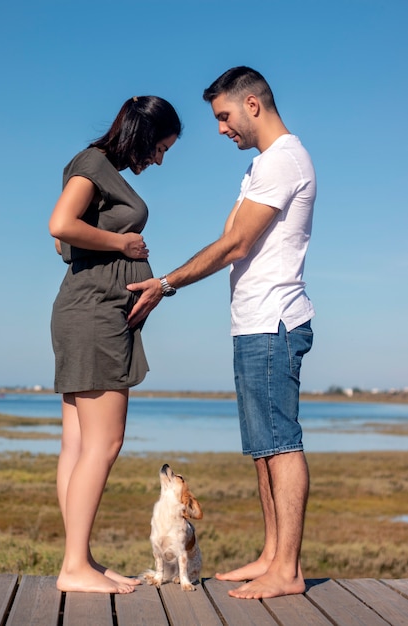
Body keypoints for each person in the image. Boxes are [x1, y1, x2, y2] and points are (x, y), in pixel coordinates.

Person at [127, 66, 316, 599]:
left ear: (252, 104)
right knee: (263, 450)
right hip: (253, 323)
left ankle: (288, 570)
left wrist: (166, 282)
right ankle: (272, 556)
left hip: (274, 321)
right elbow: (231, 235)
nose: (220, 128)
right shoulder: (260, 167)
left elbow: (234, 245)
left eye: (224, 116)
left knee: (282, 445)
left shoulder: (283, 162)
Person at [49, 96, 182, 594]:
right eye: (162, 147)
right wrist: (124, 245)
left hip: (84, 311)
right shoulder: (93, 163)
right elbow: (60, 226)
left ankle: (78, 560)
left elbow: (65, 241)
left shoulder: (96, 167)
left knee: (79, 445)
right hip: (94, 318)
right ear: (143, 133)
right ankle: (74, 568)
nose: (160, 159)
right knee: (103, 444)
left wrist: (105, 246)